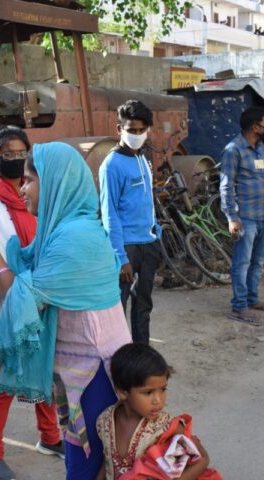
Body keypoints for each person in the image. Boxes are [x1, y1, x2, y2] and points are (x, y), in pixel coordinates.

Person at [0, 142, 132, 480]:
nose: (24, 189)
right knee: (86, 472)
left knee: (86, 479)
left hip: (94, 376)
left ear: (57, 183)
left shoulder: (75, 241)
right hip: (82, 374)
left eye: (31, 180)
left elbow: (22, 303)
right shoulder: (64, 230)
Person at [0, 127, 62, 480]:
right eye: (8, 153)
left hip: (38, 291)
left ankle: (50, 436)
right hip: (6, 296)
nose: (15, 157)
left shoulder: (32, 191)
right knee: (4, 377)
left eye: (21, 151)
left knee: (45, 364)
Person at [92, 343, 210, 480]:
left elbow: (202, 459)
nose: (158, 400)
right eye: (148, 393)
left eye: (162, 389)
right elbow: (109, 455)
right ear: (123, 392)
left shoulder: (167, 426)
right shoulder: (105, 422)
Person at [99, 99, 161, 344]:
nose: (136, 135)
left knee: (143, 306)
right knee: (117, 310)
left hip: (149, 244)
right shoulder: (111, 165)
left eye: (141, 130)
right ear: (119, 129)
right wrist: (120, 257)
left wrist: (157, 233)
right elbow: (109, 213)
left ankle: (142, 358)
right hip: (126, 249)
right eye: (131, 130)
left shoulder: (143, 158)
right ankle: (118, 360)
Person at [220, 106, 264, 327]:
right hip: (245, 218)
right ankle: (239, 306)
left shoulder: (261, 149)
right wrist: (231, 217)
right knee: (242, 263)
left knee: (257, 262)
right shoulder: (233, 150)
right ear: (255, 126)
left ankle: (252, 299)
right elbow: (226, 187)